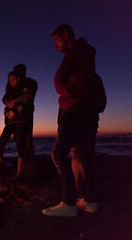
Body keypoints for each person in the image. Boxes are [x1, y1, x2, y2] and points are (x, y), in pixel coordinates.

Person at [42, 24, 104, 217]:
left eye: (56, 40)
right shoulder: (85, 54)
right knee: (82, 156)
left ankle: (69, 203)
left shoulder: (76, 51)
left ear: (66, 35)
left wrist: (67, 89)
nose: (55, 46)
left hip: (74, 108)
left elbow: (62, 81)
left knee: (58, 154)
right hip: (83, 109)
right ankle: (90, 201)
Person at [0, 65, 37, 180]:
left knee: (23, 144)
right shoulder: (10, 90)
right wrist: (8, 108)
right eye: (10, 79)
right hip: (10, 121)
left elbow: (26, 100)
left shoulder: (28, 84)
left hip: (22, 120)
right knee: (3, 142)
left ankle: (24, 172)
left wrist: (14, 106)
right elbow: (5, 99)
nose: (11, 81)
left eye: (14, 78)